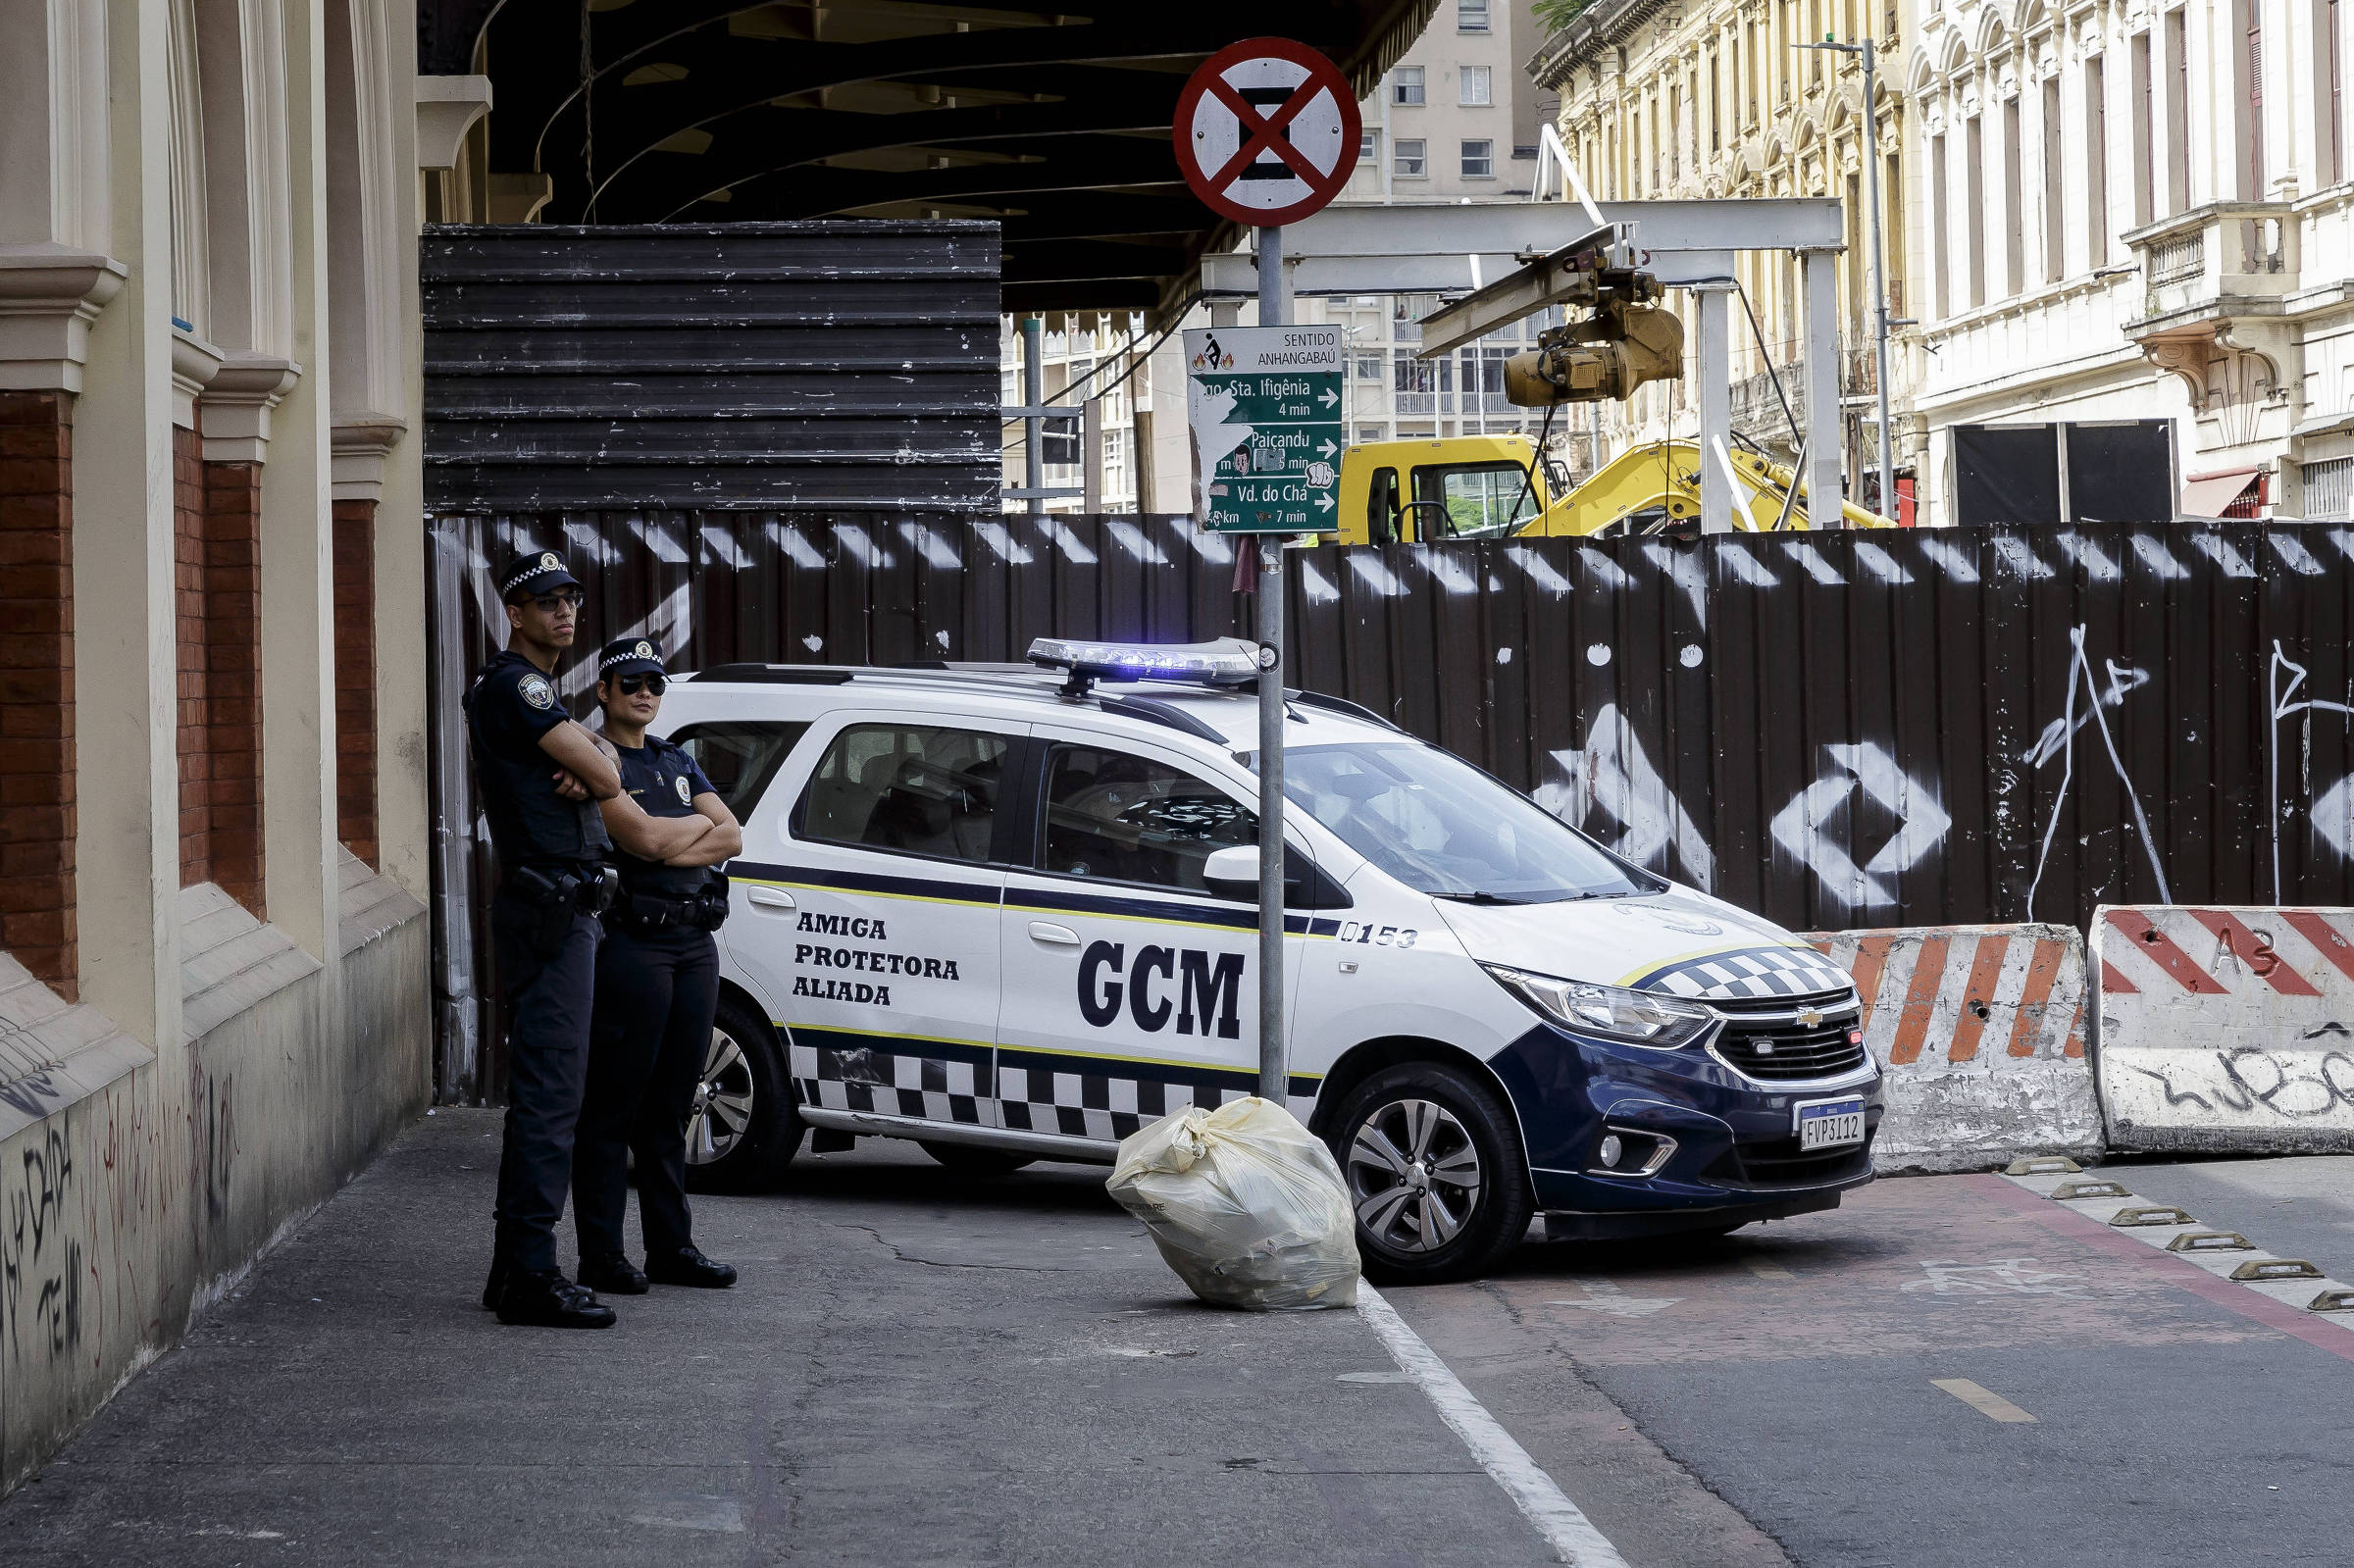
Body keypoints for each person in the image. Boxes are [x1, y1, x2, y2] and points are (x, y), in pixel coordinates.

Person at [467, 552, 714, 1329]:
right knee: (552, 1097)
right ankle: (532, 1273)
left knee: (560, 1094)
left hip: (571, 913)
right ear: (515, 611)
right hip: (552, 913)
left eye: (572, 598)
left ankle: (517, 1267)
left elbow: (599, 764)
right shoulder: (519, 685)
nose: (564, 611)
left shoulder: (547, 701)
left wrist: (590, 752)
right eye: (546, 601)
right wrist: (597, 760)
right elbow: (609, 783)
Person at [572, 639, 744, 1294]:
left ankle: (672, 1246)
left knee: (674, 1103)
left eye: (656, 682)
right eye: (632, 681)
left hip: (694, 944)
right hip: (635, 947)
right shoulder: (594, 759)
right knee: (614, 1106)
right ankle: (603, 1256)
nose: (646, 691)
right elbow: (635, 837)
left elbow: (731, 834)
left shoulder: (676, 759)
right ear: (606, 691)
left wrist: (661, 840)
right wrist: (677, 837)